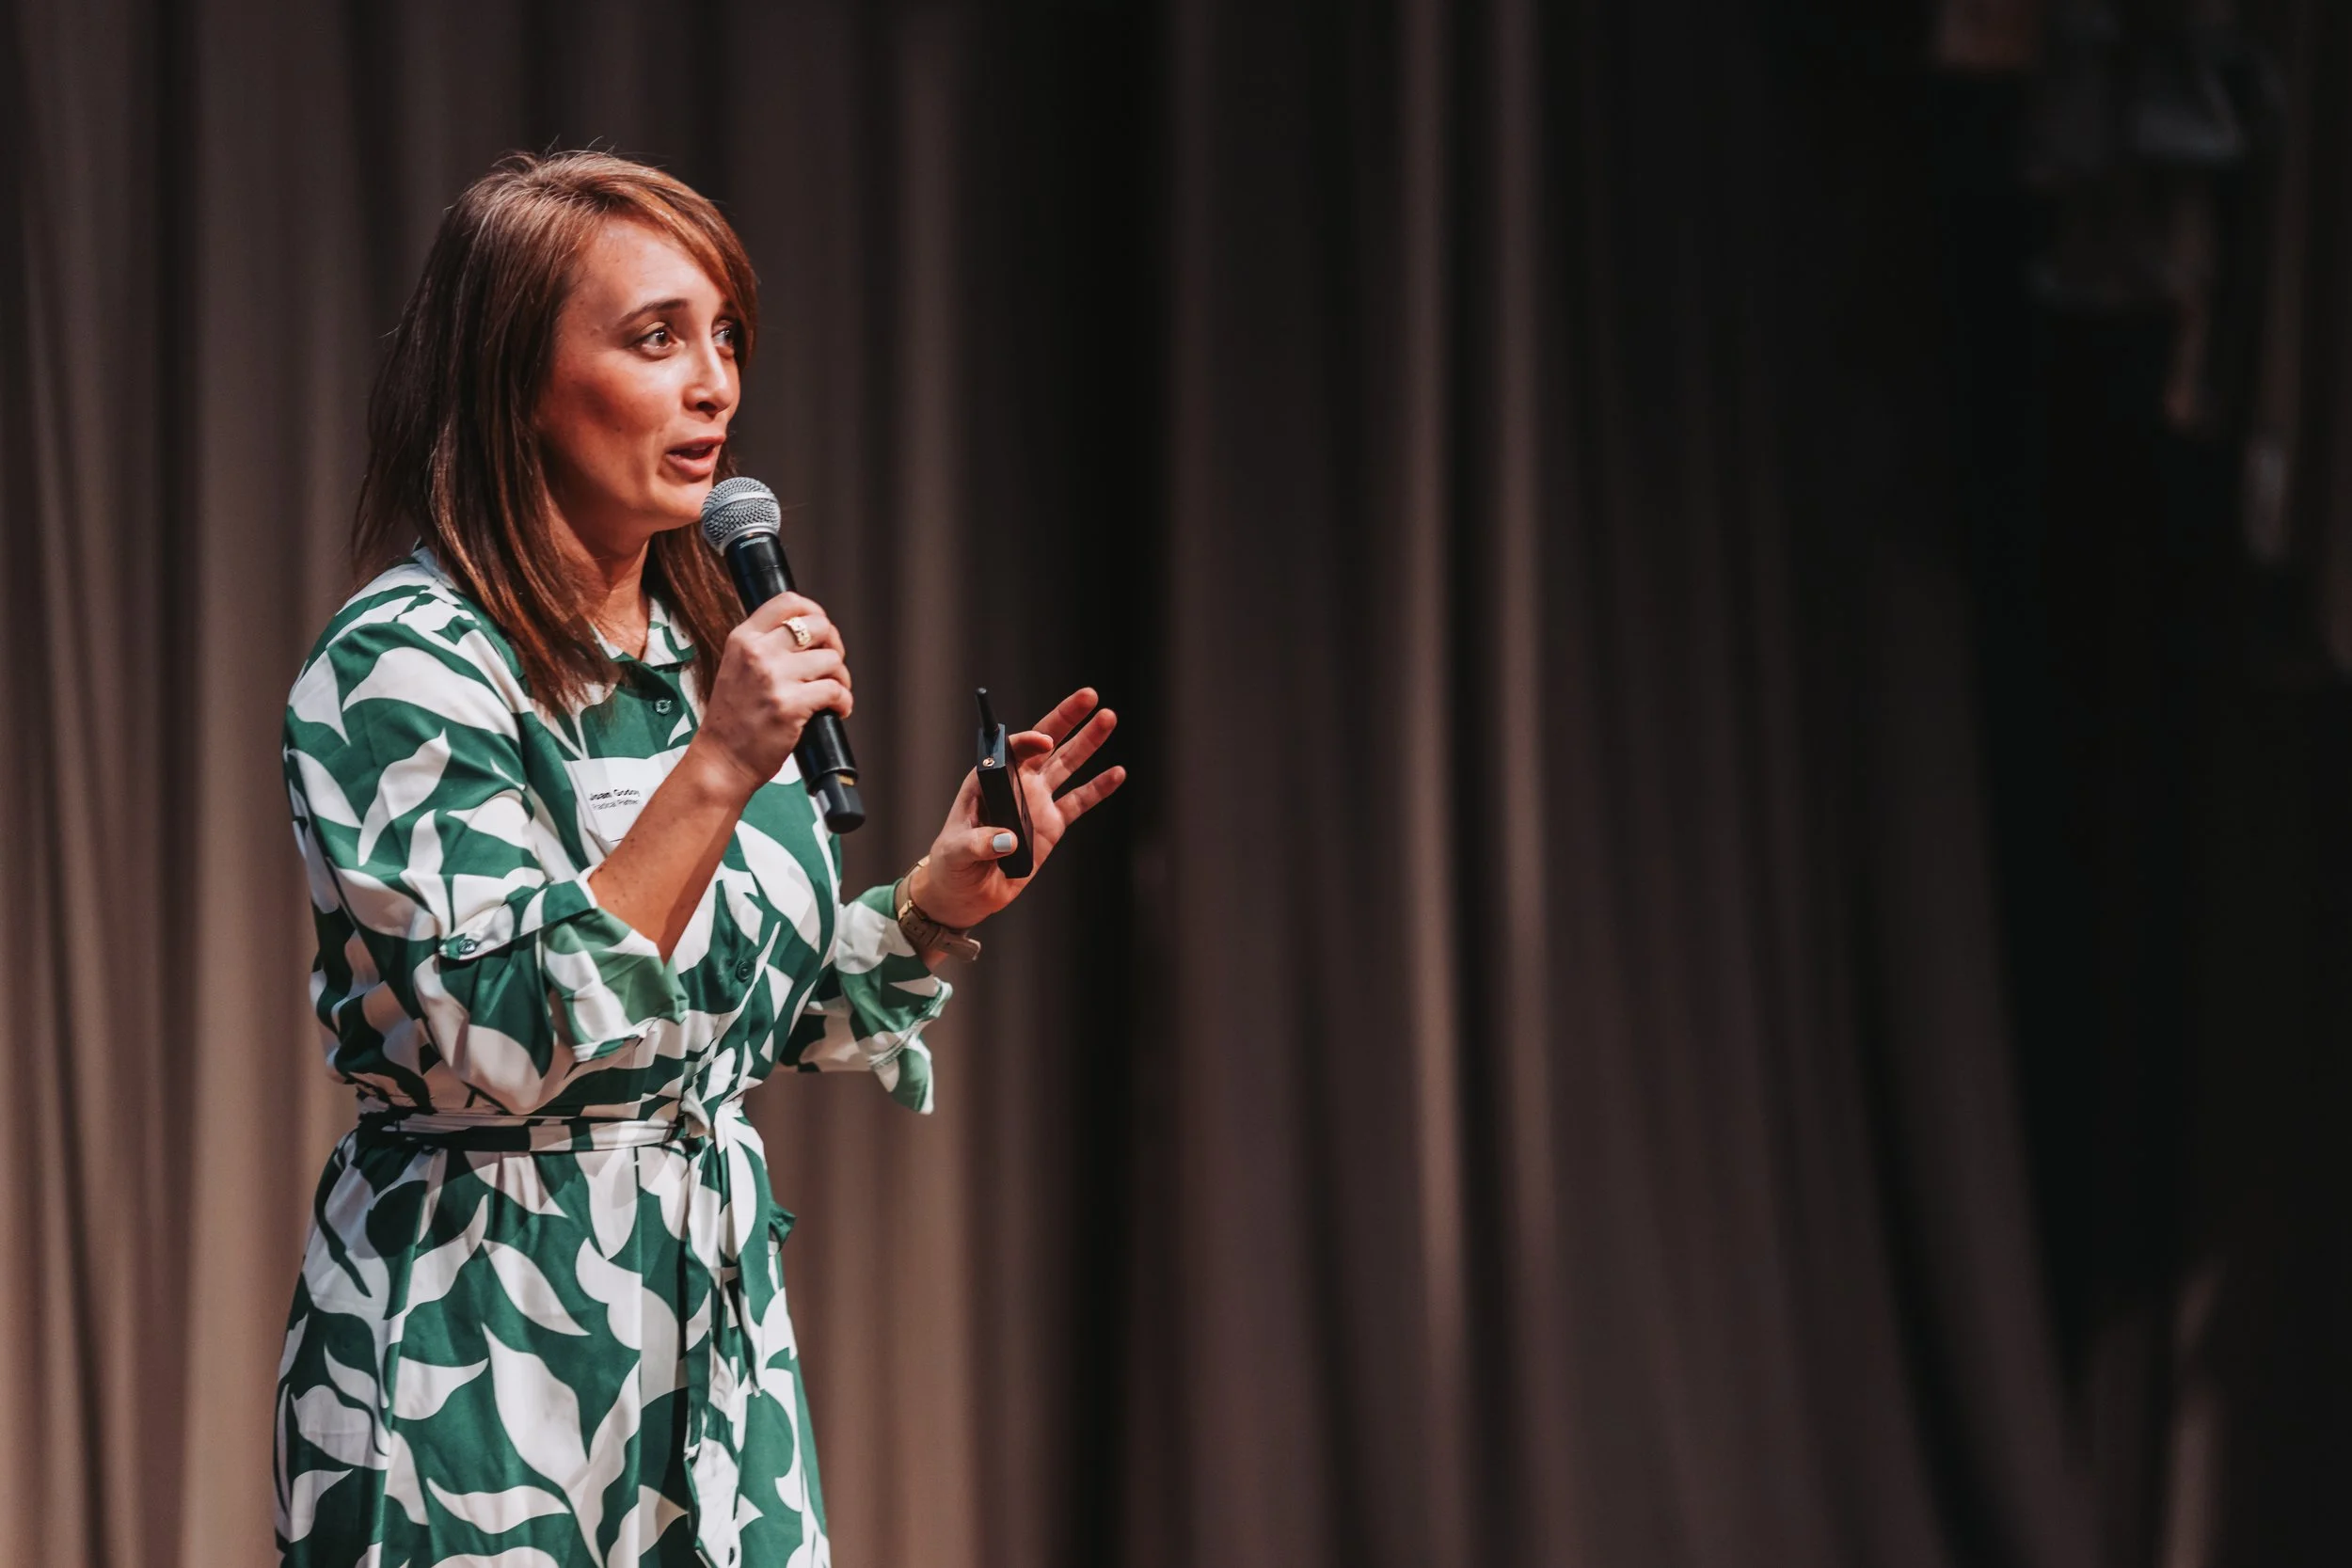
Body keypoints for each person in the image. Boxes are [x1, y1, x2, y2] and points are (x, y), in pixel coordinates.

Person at [272, 150, 1123, 1568]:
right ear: (515, 382)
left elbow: (714, 1019)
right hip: (477, 1355)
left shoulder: (691, 659)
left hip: (709, 1354)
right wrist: (722, 767)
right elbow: (502, 1030)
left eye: (727, 335)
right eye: (656, 337)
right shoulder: (400, 668)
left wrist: (930, 902)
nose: (715, 382)